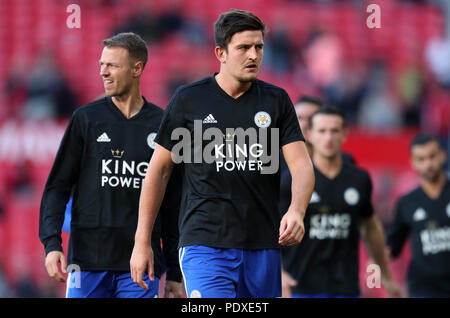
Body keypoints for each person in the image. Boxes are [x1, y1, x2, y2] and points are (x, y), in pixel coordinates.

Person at [130, 9, 315, 298]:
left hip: (262, 246)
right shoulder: (189, 100)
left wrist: (297, 210)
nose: (253, 55)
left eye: (258, 47)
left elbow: (301, 165)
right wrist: (142, 241)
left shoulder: (276, 101)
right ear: (221, 52)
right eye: (243, 48)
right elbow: (159, 170)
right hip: (205, 244)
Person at [39, 32, 183, 298]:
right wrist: (52, 244)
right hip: (86, 261)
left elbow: (173, 206)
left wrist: (175, 272)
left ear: (137, 68)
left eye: (112, 65)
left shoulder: (162, 125)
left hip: (141, 264)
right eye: (101, 65)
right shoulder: (85, 119)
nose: (104, 72)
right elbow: (57, 187)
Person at [282, 106, 403, 298]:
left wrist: (386, 277)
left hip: (345, 287)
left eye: (334, 131)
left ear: (345, 134)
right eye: (322, 131)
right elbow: (270, 225)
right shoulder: (294, 179)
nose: (328, 138)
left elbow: (370, 227)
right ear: (310, 135)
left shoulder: (359, 179)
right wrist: (278, 272)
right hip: (302, 286)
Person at [388, 133, 450, 297]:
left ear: (442, 156)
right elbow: (394, 245)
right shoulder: (407, 203)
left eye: (432, 157)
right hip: (423, 287)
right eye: (421, 159)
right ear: (412, 163)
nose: (428, 164)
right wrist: (377, 261)